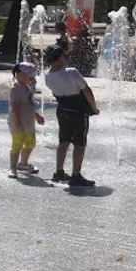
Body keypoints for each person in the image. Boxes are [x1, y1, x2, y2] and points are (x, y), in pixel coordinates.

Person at [43, 45, 100, 186]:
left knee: (63, 142)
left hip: (62, 110)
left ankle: (59, 172)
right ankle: (76, 175)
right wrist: (94, 108)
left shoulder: (47, 76)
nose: (65, 57)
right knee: (79, 144)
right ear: (58, 58)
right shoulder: (72, 72)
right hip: (78, 111)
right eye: (62, 55)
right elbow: (87, 91)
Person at [8, 63, 45, 178]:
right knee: (17, 145)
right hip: (18, 122)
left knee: (30, 143)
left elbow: (29, 104)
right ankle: (12, 168)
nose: (31, 78)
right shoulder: (15, 89)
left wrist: (36, 115)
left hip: (28, 122)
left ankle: (23, 163)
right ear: (19, 74)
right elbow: (15, 107)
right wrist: (18, 122)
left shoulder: (26, 87)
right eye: (29, 75)